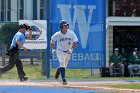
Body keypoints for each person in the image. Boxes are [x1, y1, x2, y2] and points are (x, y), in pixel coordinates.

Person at [51, 20, 78, 85]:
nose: (66, 27)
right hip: (60, 51)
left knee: (64, 66)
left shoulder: (71, 33)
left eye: (67, 25)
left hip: (68, 51)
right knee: (62, 62)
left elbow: (76, 42)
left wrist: (71, 49)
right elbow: (52, 41)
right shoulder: (58, 34)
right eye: (64, 26)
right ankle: (64, 80)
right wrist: (53, 49)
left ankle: (59, 70)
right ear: (61, 27)